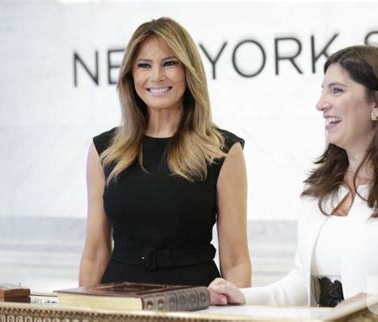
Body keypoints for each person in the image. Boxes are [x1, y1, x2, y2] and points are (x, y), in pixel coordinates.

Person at [208, 45, 378, 320]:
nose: (321, 104)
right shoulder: (319, 190)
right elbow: (300, 286)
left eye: (337, 90)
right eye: (323, 91)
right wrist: (242, 296)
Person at [79, 17, 251, 288]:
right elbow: (95, 253)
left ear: (188, 70)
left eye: (169, 63)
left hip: (197, 302)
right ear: (131, 75)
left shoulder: (223, 150)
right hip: (117, 305)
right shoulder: (104, 151)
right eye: (144, 65)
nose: (156, 76)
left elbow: (236, 260)